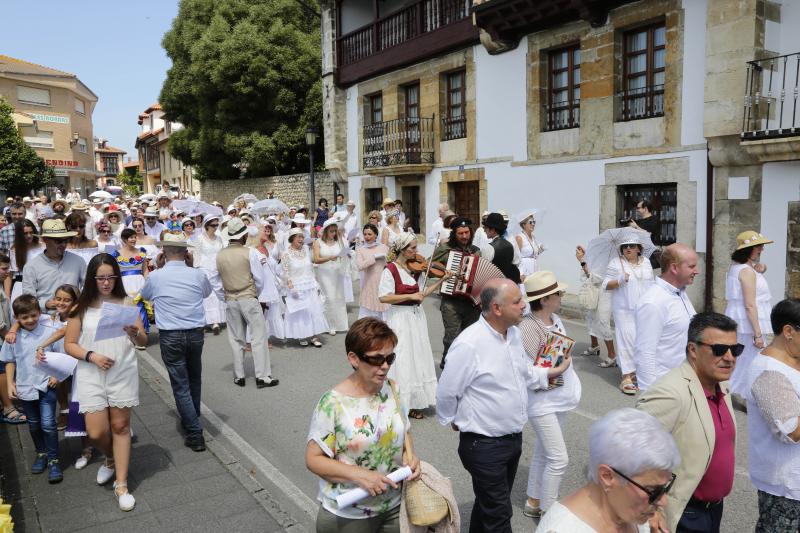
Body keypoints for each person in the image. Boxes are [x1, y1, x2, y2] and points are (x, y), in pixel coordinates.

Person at [437, 278, 567, 533]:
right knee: (499, 515)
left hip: (512, 439)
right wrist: (452, 418)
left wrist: (552, 371)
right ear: (496, 308)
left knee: (489, 505)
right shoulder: (469, 343)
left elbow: (525, 373)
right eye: (517, 301)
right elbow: (447, 391)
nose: (524, 306)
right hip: (484, 444)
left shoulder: (514, 334)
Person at [305, 317, 421, 531]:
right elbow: (313, 459)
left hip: (395, 507)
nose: (385, 366)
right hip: (350, 513)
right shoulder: (333, 404)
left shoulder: (393, 389)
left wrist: (409, 459)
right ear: (354, 358)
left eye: (390, 358)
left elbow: (404, 436)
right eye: (376, 359)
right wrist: (360, 475)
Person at [637, 312, 740, 533]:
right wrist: (650, 510)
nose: (730, 357)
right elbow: (631, 456)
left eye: (736, 349)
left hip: (713, 510)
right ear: (693, 350)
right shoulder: (670, 393)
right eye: (720, 349)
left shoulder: (721, 384)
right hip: (684, 513)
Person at [64, 254, 148, 512]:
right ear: (92, 278)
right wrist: (92, 356)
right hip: (91, 372)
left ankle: (121, 485)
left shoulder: (125, 302)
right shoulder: (80, 307)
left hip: (122, 370)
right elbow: (69, 344)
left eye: (111, 277)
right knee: (97, 431)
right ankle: (109, 458)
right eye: (101, 277)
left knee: (121, 426)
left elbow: (143, 341)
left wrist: (136, 333)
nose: (106, 282)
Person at [536, 408, 680, 533]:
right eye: (653, 491)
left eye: (664, 488)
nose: (663, 501)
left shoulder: (628, 512)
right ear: (607, 476)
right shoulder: (562, 529)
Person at [140, 234, 212, 452]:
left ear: (164, 253)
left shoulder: (156, 276)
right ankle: (193, 418)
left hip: (171, 333)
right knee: (194, 378)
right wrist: (190, 267)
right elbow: (206, 293)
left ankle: (194, 430)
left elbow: (146, 295)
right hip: (194, 332)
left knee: (181, 383)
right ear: (185, 253)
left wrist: (159, 269)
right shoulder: (197, 274)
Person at [521, 271, 581, 519]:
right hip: (541, 401)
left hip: (559, 396)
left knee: (543, 453)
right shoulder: (527, 327)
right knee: (559, 459)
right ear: (545, 299)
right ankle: (549, 512)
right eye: (558, 293)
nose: (562, 296)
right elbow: (530, 369)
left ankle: (534, 501)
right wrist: (559, 368)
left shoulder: (555, 318)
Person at [378, 233, 449, 419]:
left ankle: (415, 401)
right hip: (399, 317)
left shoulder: (414, 270)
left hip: (416, 317)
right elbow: (384, 296)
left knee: (417, 355)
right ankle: (401, 401)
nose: (416, 251)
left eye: (416, 247)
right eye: (412, 248)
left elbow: (422, 293)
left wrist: (442, 280)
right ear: (401, 249)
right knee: (402, 357)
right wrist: (410, 296)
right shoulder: (390, 270)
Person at [744, 298, 800, 532]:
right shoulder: (769, 372)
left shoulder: (792, 361)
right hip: (787, 490)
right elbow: (791, 430)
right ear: (788, 331)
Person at [1, 294, 65, 483]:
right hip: (25, 386)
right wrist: (10, 383)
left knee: (48, 423)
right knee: (34, 423)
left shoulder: (49, 331)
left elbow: (61, 356)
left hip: (46, 385)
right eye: (24, 317)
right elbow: (9, 361)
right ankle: (41, 453)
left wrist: (56, 376)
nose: (30, 320)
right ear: (17, 318)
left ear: (39, 313)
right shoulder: (13, 337)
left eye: (33, 315)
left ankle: (54, 459)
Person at [216, 218, 278, 388]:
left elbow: (214, 280)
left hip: (231, 299)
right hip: (248, 296)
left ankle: (239, 375)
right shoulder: (249, 252)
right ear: (243, 236)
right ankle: (262, 376)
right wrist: (254, 293)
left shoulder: (220, 254)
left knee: (236, 338)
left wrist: (225, 294)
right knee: (258, 336)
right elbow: (259, 278)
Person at [634, 243, 698, 392]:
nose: (697, 271)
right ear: (674, 268)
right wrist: (650, 398)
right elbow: (645, 353)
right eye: (692, 266)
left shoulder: (680, 292)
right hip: (665, 388)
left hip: (685, 381)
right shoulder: (653, 302)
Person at [603, 235, 655, 394]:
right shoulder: (616, 263)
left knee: (643, 340)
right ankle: (626, 376)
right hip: (624, 310)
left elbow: (652, 282)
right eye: (625, 246)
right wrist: (619, 280)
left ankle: (639, 371)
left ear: (639, 248)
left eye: (632, 246)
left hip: (644, 308)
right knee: (626, 339)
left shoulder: (646, 262)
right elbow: (606, 285)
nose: (628, 249)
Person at [725, 231, 774, 398]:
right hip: (748, 323)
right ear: (749, 249)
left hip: (740, 320)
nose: (762, 249)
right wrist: (757, 334)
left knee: (743, 360)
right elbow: (750, 305)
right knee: (750, 362)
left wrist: (762, 268)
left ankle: (736, 394)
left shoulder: (737, 267)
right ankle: (742, 395)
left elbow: (757, 269)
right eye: (759, 246)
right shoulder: (747, 271)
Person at [432, 217, 482, 369]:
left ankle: (465, 369)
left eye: (467, 232)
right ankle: (447, 366)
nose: (464, 236)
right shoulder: (445, 249)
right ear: (455, 234)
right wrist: (445, 273)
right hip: (451, 302)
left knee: (470, 338)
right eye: (460, 233)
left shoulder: (476, 251)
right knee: (452, 338)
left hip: (471, 303)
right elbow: (430, 265)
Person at [22, 219, 86, 313]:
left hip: (73, 316)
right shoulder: (31, 266)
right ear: (45, 240)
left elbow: (87, 288)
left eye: (66, 240)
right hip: (45, 319)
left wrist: (78, 301)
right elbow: (28, 299)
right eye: (58, 241)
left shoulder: (78, 261)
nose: (63, 244)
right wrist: (45, 304)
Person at [281, 228, 329, 347]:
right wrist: (290, 285)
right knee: (301, 312)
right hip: (296, 286)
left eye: (302, 237)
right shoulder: (285, 253)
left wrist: (316, 282)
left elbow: (311, 267)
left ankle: (314, 336)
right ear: (292, 239)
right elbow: (285, 271)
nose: (301, 240)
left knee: (313, 310)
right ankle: (301, 335)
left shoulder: (307, 249)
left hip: (309, 284)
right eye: (299, 237)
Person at [575, 245, 617, 364]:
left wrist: (583, 262)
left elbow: (594, 276)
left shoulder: (614, 260)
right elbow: (588, 275)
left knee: (603, 322)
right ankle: (594, 346)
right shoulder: (599, 257)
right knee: (590, 318)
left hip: (606, 292)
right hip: (594, 291)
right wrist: (585, 257)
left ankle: (612, 355)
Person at [0, 253, 26, 424]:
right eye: (3, 268)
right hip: (3, 338)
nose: (7, 272)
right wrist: (10, 338)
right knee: (2, 371)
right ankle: (8, 408)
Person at [111, 229, 150, 339]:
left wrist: (147, 283)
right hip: (124, 283)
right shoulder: (116, 254)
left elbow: (145, 269)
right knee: (125, 307)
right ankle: (125, 334)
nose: (133, 239)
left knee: (140, 307)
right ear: (124, 239)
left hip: (139, 282)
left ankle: (142, 334)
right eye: (130, 237)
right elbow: (115, 272)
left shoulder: (142, 252)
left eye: (134, 237)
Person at [312, 219, 349, 335]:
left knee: (339, 297)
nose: (333, 233)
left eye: (335, 231)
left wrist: (346, 255)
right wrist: (329, 258)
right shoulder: (318, 242)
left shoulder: (339, 241)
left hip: (337, 272)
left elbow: (343, 253)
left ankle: (340, 324)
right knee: (329, 297)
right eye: (331, 231)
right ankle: (329, 325)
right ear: (326, 231)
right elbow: (316, 259)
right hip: (324, 273)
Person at [192, 215, 225, 334]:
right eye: (213, 225)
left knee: (217, 295)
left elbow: (222, 253)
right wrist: (198, 270)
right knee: (208, 296)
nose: (215, 227)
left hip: (217, 269)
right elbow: (196, 255)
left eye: (217, 225)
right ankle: (207, 321)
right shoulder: (200, 239)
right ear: (206, 226)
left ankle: (216, 321)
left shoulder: (219, 238)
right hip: (204, 269)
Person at [354, 223, 389, 320]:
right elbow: (360, 266)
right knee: (369, 315)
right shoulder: (361, 250)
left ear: (376, 235)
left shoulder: (384, 248)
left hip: (383, 283)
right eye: (365, 234)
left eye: (369, 234)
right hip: (369, 283)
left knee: (384, 315)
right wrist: (373, 257)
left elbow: (390, 263)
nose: (367, 237)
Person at [8, 220, 44, 308]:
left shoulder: (43, 247)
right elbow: (10, 274)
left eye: (31, 232)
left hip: (41, 286)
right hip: (21, 286)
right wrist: (7, 295)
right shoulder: (14, 250)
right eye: (25, 233)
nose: (29, 236)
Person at [480, 213, 521, 283]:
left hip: (494, 285)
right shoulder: (510, 245)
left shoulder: (488, 248)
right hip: (508, 284)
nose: (484, 230)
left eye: (486, 228)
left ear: (492, 230)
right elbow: (516, 262)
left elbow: (483, 271)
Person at [515, 211, 544, 277]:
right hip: (524, 271)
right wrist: (520, 273)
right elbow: (516, 258)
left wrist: (540, 250)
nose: (533, 224)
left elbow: (533, 254)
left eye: (534, 222)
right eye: (530, 222)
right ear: (524, 225)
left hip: (534, 269)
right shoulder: (519, 238)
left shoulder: (534, 238)